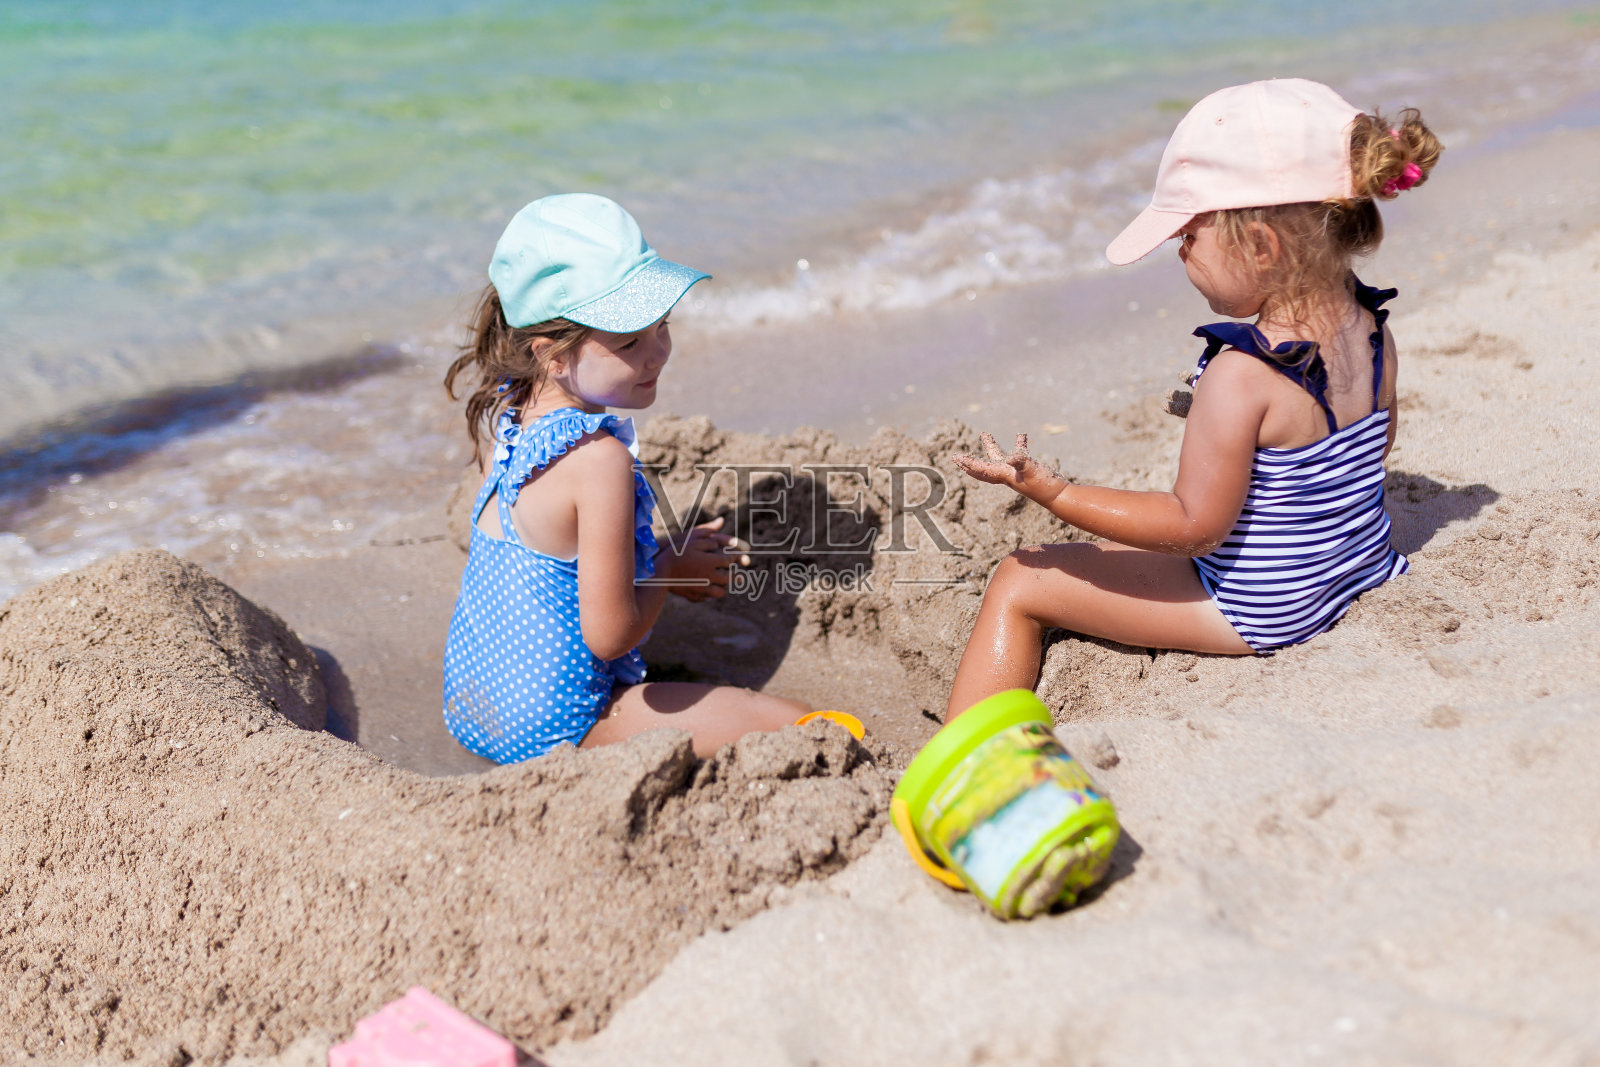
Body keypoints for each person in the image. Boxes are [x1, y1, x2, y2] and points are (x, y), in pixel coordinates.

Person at [946, 78, 1441, 720]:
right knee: (1114, 556)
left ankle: (959, 764)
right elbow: (1374, 449)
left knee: (1020, 578)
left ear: (1260, 244)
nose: (1179, 249)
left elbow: (1193, 528)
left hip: (1265, 607)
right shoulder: (1372, 327)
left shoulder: (1241, 375)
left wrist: (1052, 492)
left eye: (1188, 233)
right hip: (1361, 565)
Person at [442, 193, 809, 762]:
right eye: (629, 341)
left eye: (662, 326)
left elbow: (555, 553)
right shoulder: (599, 459)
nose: (658, 352)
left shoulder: (507, 412)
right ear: (551, 355)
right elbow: (610, 636)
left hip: (470, 707)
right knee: (802, 726)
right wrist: (667, 567)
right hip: (556, 732)